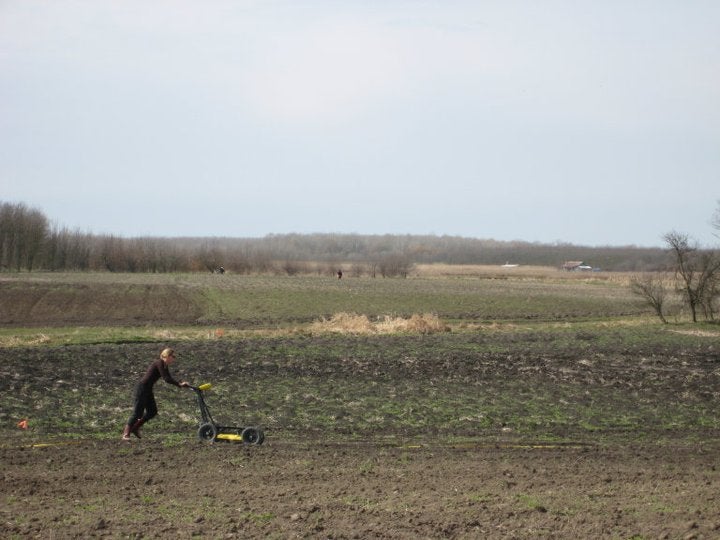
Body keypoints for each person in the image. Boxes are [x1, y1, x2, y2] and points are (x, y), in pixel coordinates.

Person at [122, 348, 189, 440]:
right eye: (173, 356)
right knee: (137, 413)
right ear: (167, 356)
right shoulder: (159, 363)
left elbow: (168, 377)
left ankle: (135, 428)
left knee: (152, 411)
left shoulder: (165, 365)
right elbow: (166, 378)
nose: (174, 358)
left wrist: (180, 384)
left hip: (148, 389)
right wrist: (179, 384)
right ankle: (126, 433)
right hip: (142, 388)